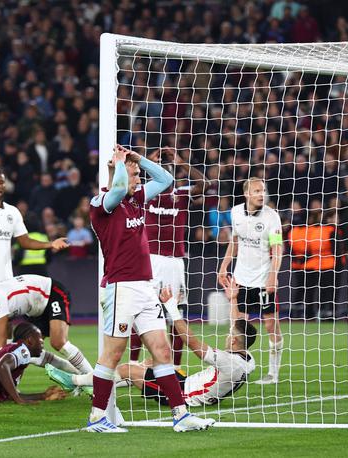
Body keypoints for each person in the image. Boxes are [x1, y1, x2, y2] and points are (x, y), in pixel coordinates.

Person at [87, 144, 214, 433]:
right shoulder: (102, 204)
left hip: (145, 287)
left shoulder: (137, 200)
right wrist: (121, 165)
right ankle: (97, 417)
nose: (139, 180)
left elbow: (166, 180)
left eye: (138, 176)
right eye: (135, 176)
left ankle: (181, 416)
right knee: (113, 354)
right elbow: (117, 189)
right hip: (121, 288)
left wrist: (138, 160)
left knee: (162, 351)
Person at [0, 168, 68, 368]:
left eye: (1, 183)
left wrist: (50, 244)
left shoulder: (12, 212)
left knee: (2, 328)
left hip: (5, 280)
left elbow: (25, 241)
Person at [48, 311, 257, 407]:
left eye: (230, 334)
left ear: (234, 341)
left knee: (126, 370)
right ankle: (95, 385)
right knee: (149, 362)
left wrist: (173, 309)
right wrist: (233, 298)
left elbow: (192, 343)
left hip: (184, 395)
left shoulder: (229, 362)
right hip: (187, 382)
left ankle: (74, 381)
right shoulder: (247, 359)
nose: (226, 336)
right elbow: (239, 330)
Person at [130, 147, 206, 369]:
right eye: (161, 168)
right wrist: (147, 163)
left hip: (174, 262)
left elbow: (206, 185)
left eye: (168, 168)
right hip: (151, 260)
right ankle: (133, 365)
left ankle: (176, 367)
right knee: (141, 311)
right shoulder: (144, 194)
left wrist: (181, 162)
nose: (165, 170)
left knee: (175, 316)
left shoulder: (182, 194)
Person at [0, 274, 92, 375]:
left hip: (51, 293)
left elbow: (1, 337)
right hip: (35, 311)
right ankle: (78, 374)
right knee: (26, 352)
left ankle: (94, 379)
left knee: (58, 342)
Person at [218, 177, 283, 384]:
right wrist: (224, 266)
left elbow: (277, 248)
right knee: (237, 326)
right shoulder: (236, 212)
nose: (261, 194)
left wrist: (273, 275)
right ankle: (236, 370)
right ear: (246, 194)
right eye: (256, 191)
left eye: (263, 190)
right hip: (241, 279)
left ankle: (273, 374)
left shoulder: (272, 217)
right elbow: (235, 241)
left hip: (263, 281)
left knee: (271, 325)